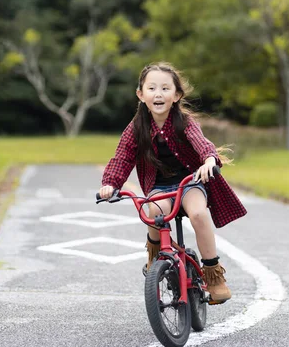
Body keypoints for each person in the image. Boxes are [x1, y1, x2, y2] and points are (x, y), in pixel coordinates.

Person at [98, 61, 247, 304]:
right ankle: (155, 254)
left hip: (190, 181)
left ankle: (214, 274)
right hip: (159, 186)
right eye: (152, 88)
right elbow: (123, 157)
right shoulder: (136, 127)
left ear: (176, 95)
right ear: (141, 94)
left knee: (199, 214)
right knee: (154, 211)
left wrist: (209, 160)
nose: (159, 94)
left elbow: (201, 142)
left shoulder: (184, 122)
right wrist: (110, 184)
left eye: (166, 89)